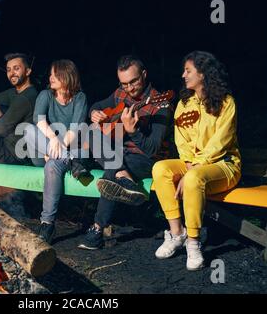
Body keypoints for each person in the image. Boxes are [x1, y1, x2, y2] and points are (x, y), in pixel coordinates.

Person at [152, 51, 241, 271]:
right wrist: (189, 164)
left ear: (203, 73)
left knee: (192, 179)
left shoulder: (226, 102)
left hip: (223, 165)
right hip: (192, 164)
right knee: (160, 168)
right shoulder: (185, 103)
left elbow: (221, 141)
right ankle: (177, 233)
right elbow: (180, 139)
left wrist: (196, 167)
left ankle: (193, 242)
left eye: (188, 70)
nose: (183, 75)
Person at [78, 55, 173, 250]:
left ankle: (97, 230)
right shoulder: (121, 93)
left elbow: (153, 149)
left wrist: (134, 132)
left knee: (111, 171)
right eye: (124, 84)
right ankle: (124, 175)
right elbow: (98, 105)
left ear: (144, 75)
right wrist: (94, 113)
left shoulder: (161, 104)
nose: (129, 88)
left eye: (133, 81)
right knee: (93, 133)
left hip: (147, 159)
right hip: (119, 153)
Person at [23, 59, 90, 243]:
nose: (50, 77)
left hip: (57, 155)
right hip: (42, 150)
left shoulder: (80, 98)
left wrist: (56, 150)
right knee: (28, 130)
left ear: (66, 75)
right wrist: (52, 139)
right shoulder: (46, 95)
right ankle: (70, 161)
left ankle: (47, 224)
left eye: (55, 74)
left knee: (52, 165)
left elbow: (75, 129)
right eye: (50, 74)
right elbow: (39, 121)